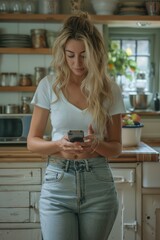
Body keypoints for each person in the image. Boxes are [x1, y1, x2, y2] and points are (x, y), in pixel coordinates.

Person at [27, 11, 126, 240]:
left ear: (95, 54)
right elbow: (32, 142)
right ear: (63, 53)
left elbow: (117, 147)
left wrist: (97, 146)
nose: (77, 63)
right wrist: (58, 144)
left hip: (98, 185)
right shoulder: (48, 86)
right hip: (58, 183)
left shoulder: (110, 89)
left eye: (84, 55)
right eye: (70, 55)